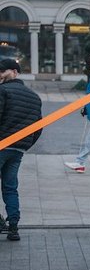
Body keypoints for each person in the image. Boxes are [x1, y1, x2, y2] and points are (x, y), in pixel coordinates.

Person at [0, 58, 42, 242]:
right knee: (10, 187)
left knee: (10, 187)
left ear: (15, 72)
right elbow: (38, 127)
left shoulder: (2, 91)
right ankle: (13, 227)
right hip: (17, 150)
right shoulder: (34, 97)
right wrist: (24, 145)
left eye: (3, 71)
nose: (0, 75)